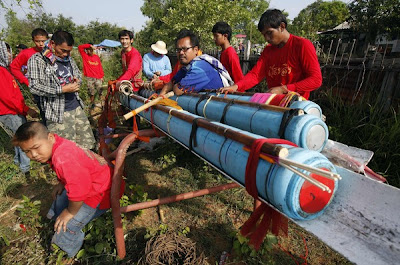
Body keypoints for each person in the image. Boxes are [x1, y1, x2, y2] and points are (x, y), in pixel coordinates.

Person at [12, 121, 113, 258]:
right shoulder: (58, 146)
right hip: (95, 181)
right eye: (27, 151)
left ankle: (64, 253)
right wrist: (62, 182)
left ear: (51, 137)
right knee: (60, 196)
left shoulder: (63, 157)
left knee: (68, 226)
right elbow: (74, 174)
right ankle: (56, 219)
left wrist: (70, 212)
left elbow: (80, 190)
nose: (33, 155)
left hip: (101, 192)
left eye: (36, 147)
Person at [220, 9, 322, 100]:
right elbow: (255, 75)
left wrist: (284, 89)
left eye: (269, 33)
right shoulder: (268, 50)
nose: (267, 39)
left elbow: (316, 79)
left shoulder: (302, 45)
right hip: (274, 102)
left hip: (296, 104)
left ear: (282, 26)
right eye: (264, 35)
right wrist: (236, 87)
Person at [28, 30, 96, 150]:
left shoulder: (68, 59)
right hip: (58, 112)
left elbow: (78, 74)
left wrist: (77, 80)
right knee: (65, 149)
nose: (65, 54)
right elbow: (34, 86)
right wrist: (61, 89)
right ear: (53, 44)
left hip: (75, 107)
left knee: (86, 145)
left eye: (68, 51)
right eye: (63, 50)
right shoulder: (38, 60)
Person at [0, 41, 38, 176]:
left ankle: (18, 163)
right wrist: (26, 109)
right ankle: (25, 169)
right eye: (8, 52)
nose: (10, 55)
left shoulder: (4, 69)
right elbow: (8, 98)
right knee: (23, 138)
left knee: (18, 137)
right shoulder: (1, 72)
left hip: (12, 111)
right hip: (10, 112)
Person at [160, 29, 233, 96]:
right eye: (178, 50)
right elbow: (171, 83)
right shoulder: (188, 66)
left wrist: (175, 86)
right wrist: (161, 95)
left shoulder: (199, 68)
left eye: (185, 49)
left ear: (195, 50)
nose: (181, 53)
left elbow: (178, 91)